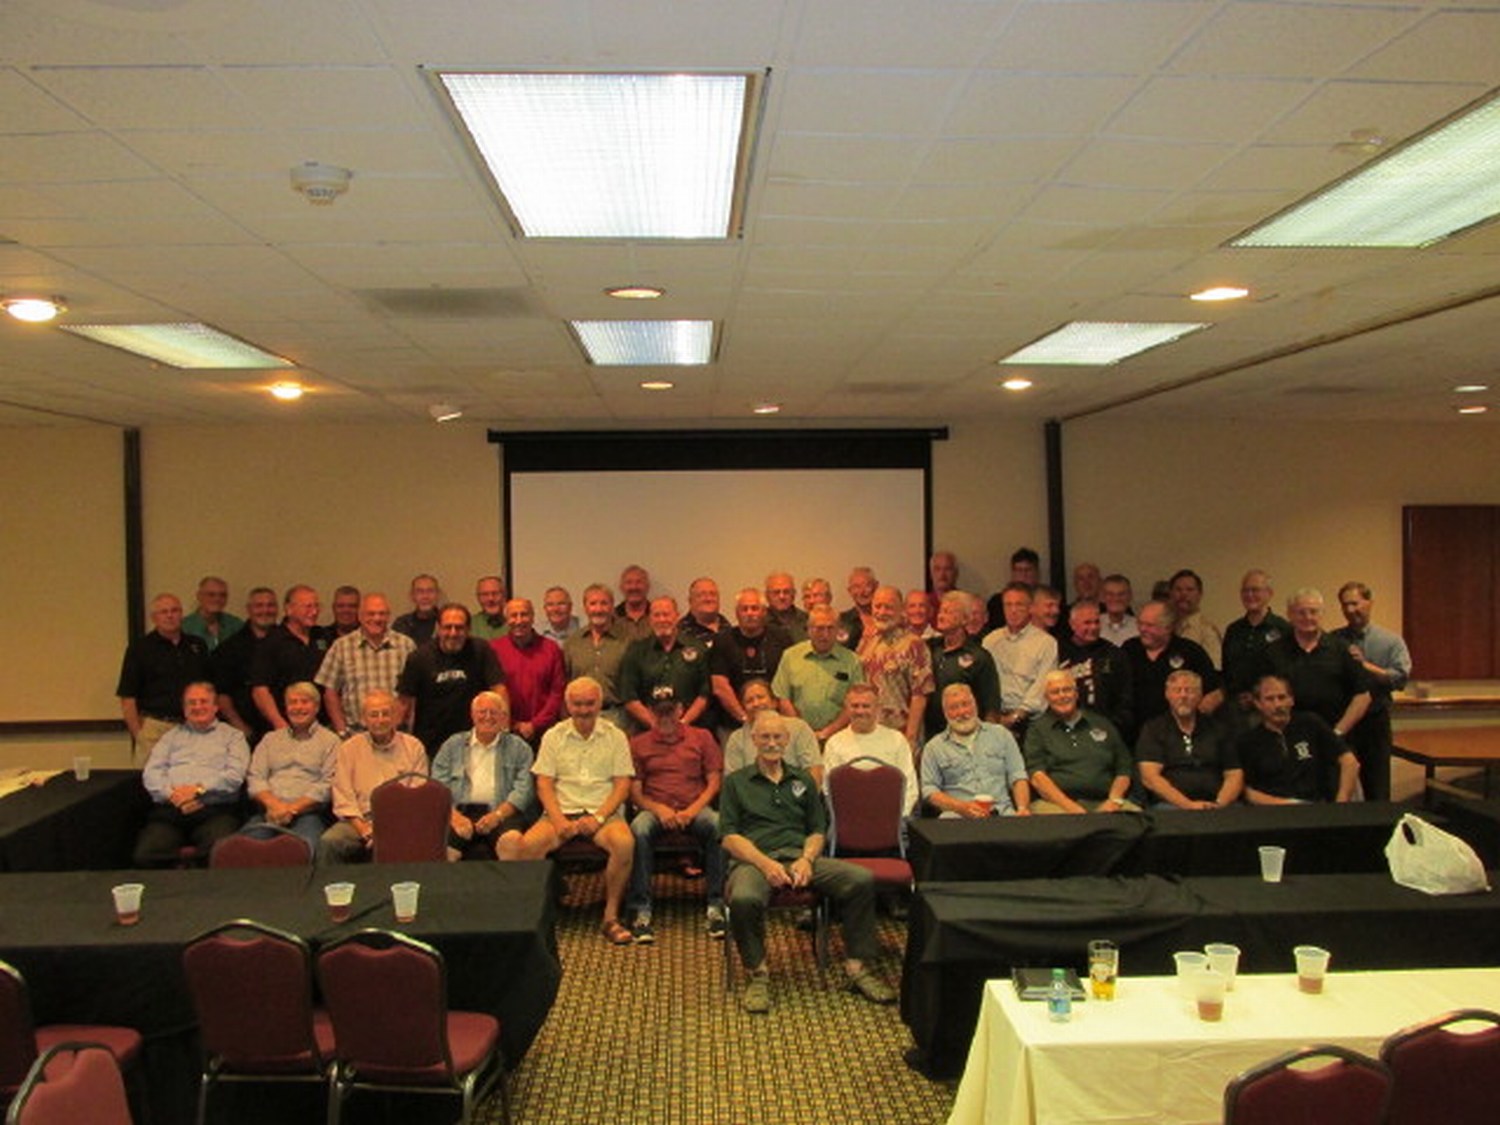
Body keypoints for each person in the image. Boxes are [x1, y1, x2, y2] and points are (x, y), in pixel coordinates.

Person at [721, 709, 896, 1012]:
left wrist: (806, 858)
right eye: (765, 737)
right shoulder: (736, 782)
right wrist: (765, 864)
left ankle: (857, 968)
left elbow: (816, 830)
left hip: (800, 858)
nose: (772, 743)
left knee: (861, 879)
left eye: (778, 737)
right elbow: (729, 837)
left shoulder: (801, 779)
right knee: (744, 898)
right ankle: (757, 973)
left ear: (787, 739)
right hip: (753, 862)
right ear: (754, 740)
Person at [507, 677, 637, 946]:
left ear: (599, 704)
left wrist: (598, 818)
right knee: (526, 847)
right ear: (567, 705)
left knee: (624, 844)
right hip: (560, 812)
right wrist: (558, 819)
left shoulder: (616, 736)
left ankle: (611, 917)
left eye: (590, 703)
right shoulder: (553, 736)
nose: (584, 710)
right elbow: (543, 783)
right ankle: (535, 915)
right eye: (577, 704)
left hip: (603, 813)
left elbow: (623, 784)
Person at [626, 689, 725, 942]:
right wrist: (658, 809)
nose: (665, 718)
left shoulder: (702, 737)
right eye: (659, 712)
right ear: (650, 713)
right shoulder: (638, 743)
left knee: (717, 825)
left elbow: (714, 781)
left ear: (680, 710)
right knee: (638, 830)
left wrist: (693, 810)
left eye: (670, 711)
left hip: (695, 807)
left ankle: (717, 905)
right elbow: (634, 792)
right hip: (654, 809)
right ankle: (641, 909)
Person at [133, 681, 249, 865]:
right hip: (171, 811)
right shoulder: (170, 737)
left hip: (215, 811)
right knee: (146, 855)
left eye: (203, 701)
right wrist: (174, 795)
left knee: (219, 854)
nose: (197, 707)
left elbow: (235, 776)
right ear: (184, 708)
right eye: (191, 702)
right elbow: (151, 773)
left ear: (215, 706)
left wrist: (197, 790)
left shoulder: (233, 737)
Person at [1252, 589, 1371, 749]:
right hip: (1287, 741)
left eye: (1313, 612)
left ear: (1322, 614)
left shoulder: (1342, 649)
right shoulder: (1273, 653)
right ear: (1290, 615)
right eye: (1301, 612)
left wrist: (1337, 733)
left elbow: (1363, 696)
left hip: (1336, 738)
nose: (1308, 617)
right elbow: (1262, 697)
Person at [318, 690, 428, 863]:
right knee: (329, 842)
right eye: (374, 715)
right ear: (364, 719)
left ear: (395, 716)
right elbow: (343, 797)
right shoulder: (349, 749)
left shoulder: (413, 747)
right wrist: (363, 829)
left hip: (401, 821)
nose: (380, 720)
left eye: (386, 714)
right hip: (359, 821)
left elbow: (417, 797)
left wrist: (388, 829)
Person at [432, 691, 535, 860]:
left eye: (494, 712)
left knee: (512, 842)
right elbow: (437, 786)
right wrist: (454, 817)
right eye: (482, 712)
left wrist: (497, 815)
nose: (488, 717)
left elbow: (524, 790)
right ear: (472, 715)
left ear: (503, 717)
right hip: (459, 812)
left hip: (503, 813)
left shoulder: (519, 748)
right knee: (441, 848)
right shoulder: (452, 745)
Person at [1333, 581, 1411, 801]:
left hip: (1375, 723)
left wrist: (1364, 665)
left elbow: (1400, 678)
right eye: (1345, 605)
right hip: (1344, 722)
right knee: (1340, 788)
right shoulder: (1333, 640)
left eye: (1355, 603)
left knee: (1377, 788)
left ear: (1369, 603)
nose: (1350, 610)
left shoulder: (1390, 641)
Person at [396, 603, 508, 755]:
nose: (453, 633)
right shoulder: (419, 658)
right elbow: (404, 702)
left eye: (459, 628)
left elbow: (498, 689)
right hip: (432, 744)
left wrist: (504, 729)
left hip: (475, 742)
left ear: (468, 629)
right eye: (447, 627)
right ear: (438, 628)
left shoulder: (481, 650)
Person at [1023, 669, 1138, 814]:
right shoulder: (1038, 730)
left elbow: (1124, 768)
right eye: (1055, 692)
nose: (1062, 696)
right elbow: (1037, 777)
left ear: (1076, 693)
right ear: (1047, 698)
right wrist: (1072, 808)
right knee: (1057, 823)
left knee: (1138, 819)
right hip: (1056, 805)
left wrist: (1114, 800)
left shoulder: (1102, 723)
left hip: (1106, 801)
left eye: (1067, 690)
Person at [1237, 675, 1359, 805]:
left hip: (1317, 807)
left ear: (1292, 700)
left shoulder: (1311, 724)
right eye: (1269, 699)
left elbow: (1349, 761)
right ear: (1258, 704)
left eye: (1282, 697)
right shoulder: (1248, 741)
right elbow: (1248, 792)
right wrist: (1288, 804)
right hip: (1273, 810)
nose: (1277, 705)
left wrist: (1341, 803)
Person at [245, 681, 337, 852]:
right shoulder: (270, 740)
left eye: (304, 702)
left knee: (303, 850)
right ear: (286, 707)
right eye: (293, 702)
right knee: (243, 849)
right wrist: (274, 805)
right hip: (268, 813)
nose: (298, 707)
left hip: (308, 815)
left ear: (316, 707)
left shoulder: (331, 741)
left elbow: (328, 784)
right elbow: (255, 777)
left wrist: (291, 809)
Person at [117, 593, 211, 758]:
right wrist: (139, 735)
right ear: (154, 618)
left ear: (181, 614)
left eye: (174, 610)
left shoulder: (197, 645)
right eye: (164, 612)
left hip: (193, 727)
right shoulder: (140, 649)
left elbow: (208, 688)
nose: (170, 616)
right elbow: (128, 697)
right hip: (155, 727)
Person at [1134, 671, 1243, 810]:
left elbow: (1234, 773)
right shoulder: (1154, 729)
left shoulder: (1218, 729)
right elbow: (1150, 778)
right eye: (1177, 690)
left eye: (1190, 691)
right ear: (1167, 694)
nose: (1183, 696)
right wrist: (1188, 805)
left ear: (1200, 695)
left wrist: (1220, 804)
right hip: (1171, 806)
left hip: (1217, 805)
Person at [315, 591, 416, 737]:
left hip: (396, 734)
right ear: (360, 616)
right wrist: (342, 731)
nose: (377, 618)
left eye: (382, 614)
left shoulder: (406, 645)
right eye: (371, 614)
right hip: (356, 734)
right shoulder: (341, 646)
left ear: (389, 616)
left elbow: (413, 694)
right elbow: (330, 693)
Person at [920, 683, 1030, 817]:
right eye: (954, 708)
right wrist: (961, 807)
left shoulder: (1001, 735)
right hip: (957, 816)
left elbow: (1018, 775)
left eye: (965, 704)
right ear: (945, 713)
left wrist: (1022, 808)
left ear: (975, 705)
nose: (961, 712)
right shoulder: (933, 747)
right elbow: (929, 790)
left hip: (1001, 813)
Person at [1119, 600, 1221, 742]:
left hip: (1177, 735)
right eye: (1140, 623)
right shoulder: (1129, 649)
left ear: (1167, 627)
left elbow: (1214, 691)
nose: (1142, 629)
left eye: (1150, 625)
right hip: (1134, 733)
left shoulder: (1190, 652)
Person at [822, 681, 920, 815]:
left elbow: (909, 787)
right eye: (855, 706)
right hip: (849, 818)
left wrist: (897, 817)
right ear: (846, 708)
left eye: (866, 706)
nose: (860, 711)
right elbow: (829, 789)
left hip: (892, 817)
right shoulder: (834, 743)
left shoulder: (897, 740)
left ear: (877, 708)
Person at [855, 586, 934, 749]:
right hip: (868, 734)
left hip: (900, 736)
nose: (882, 612)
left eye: (888, 607)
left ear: (901, 610)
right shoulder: (866, 642)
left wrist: (910, 738)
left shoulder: (914, 645)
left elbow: (920, 695)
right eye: (877, 606)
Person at [772, 604, 863, 742]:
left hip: (839, 738)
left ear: (838, 630)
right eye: (819, 628)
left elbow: (855, 702)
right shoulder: (790, 656)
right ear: (809, 630)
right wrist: (803, 731)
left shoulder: (852, 661)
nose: (825, 634)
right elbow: (783, 698)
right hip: (797, 737)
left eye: (830, 628)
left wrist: (828, 732)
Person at [618, 596, 710, 731]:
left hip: (690, 729)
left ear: (677, 616)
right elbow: (629, 697)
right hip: (648, 731)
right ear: (650, 619)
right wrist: (656, 725)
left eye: (666, 614)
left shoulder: (698, 648)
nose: (662, 620)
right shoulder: (636, 650)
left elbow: (705, 694)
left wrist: (683, 724)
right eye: (656, 615)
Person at [710, 587, 793, 736]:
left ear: (764, 612)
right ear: (737, 613)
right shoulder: (722, 640)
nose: (749, 613)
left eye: (755, 608)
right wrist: (744, 718)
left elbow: (788, 682)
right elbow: (720, 686)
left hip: (777, 722)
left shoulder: (782, 638)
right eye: (744, 609)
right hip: (734, 725)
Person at [249, 585, 331, 732]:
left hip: (321, 727)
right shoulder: (271, 642)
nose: (314, 612)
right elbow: (260, 690)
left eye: (316, 606)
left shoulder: (323, 636)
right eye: (308, 607)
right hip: (286, 725)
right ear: (289, 609)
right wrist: (279, 723)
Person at [982, 582, 1057, 740]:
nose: (1013, 610)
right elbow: (984, 682)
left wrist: (1016, 716)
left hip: (1030, 722)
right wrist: (993, 717)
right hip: (993, 719)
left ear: (1031, 608)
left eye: (1019, 605)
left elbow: (1042, 686)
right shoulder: (990, 641)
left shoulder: (1046, 643)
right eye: (1008, 605)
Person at [488, 598, 565, 745]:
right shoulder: (494, 649)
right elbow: (490, 691)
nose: (519, 620)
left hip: (546, 733)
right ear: (506, 619)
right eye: (513, 615)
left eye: (524, 614)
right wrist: (512, 723)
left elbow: (557, 692)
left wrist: (535, 724)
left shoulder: (551, 649)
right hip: (505, 732)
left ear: (533, 617)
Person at [925, 591, 1003, 735]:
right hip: (931, 734)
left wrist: (989, 739)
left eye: (949, 612)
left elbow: (991, 706)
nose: (941, 616)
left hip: (967, 732)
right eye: (941, 611)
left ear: (965, 619)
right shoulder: (929, 648)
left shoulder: (979, 656)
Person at [212, 586, 281, 744]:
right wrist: (239, 726)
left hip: (285, 730)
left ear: (277, 609)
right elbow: (221, 694)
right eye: (259, 606)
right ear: (248, 609)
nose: (265, 610)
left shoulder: (289, 643)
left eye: (270, 605)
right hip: (247, 732)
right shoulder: (229, 648)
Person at [1056, 599, 1134, 735]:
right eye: (1087, 623)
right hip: (1066, 728)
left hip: (1105, 728)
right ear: (1072, 624)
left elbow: (1125, 697)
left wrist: (1113, 726)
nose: (1093, 627)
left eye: (1096, 622)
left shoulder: (1113, 653)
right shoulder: (1058, 652)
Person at [722, 679, 823, 783]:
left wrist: (806, 793)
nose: (756, 703)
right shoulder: (737, 739)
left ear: (774, 702)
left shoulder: (799, 728)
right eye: (749, 701)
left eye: (760, 697)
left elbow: (814, 769)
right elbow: (733, 781)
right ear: (744, 708)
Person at [563, 583, 631, 729]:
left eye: (604, 603)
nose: (598, 609)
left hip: (617, 715)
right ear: (585, 607)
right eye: (593, 604)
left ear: (612, 607)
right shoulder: (572, 643)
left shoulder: (627, 641)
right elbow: (565, 681)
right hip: (579, 716)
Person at [1222, 569, 1290, 706]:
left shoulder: (1283, 629)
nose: (1250, 595)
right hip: (1235, 705)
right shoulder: (1233, 630)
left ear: (1269, 593)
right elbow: (1226, 671)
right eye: (1245, 591)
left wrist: (1256, 696)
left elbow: (1287, 673)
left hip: (1269, 705)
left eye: (1255, 590)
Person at [1169, 568, 1224, 669]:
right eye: (1178, 589)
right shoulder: (1165, 627)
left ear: (1200, 594)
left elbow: (1214, 669)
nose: (1183, 594)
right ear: (1171, 594)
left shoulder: (1207, 631)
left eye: (1190, 590)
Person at [182, 576, 242, 651]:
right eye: (211, 595)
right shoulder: (184, 627)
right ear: (199, 596)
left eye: (222, 595)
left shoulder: (236, 626)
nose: (217, 599)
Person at [678, 576, 730, 649]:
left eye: (713, 594)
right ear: (690, 601)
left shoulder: (727, 626)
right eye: (702, 595)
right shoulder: (680, 632)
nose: (708, 599)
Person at [393, 573, 442, 645]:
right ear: (412, 596)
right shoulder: (402, 624)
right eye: (420, 592)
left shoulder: (446, 623)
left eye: (430, 591)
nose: (425, 596)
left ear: (437, 595)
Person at [838, 567, 878, 650]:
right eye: (856, 587)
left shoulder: (887, 618)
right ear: (850, 591)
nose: (862, 592)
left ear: (876, 586)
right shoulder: (842, 621)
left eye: (867, 586)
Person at [765, 571, 808, 642]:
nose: (782, 597)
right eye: (776, 592)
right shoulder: (760, 621)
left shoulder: (806, 620)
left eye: (786, 592)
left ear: (794, 594)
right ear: (767, 596)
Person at [615, 564, 654, 642]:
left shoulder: (658, 616)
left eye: (639, 582)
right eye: (628, 583)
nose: (634, 587)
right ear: (621, 587)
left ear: (647, 586)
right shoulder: (612, 618)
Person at [1099, 573, 1138, 646]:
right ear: (1102, 597)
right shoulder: (1093, 626)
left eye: (1121, 594)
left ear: (1130, 596)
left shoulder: (1140, 627)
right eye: (1110, 594)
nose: (1116, 599)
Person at [470, 575, 509, 642]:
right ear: (478, 598)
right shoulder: (470, 624)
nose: (490, 599)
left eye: (495, 593)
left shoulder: (516, 622)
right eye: (485, 594)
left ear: (504, 595)